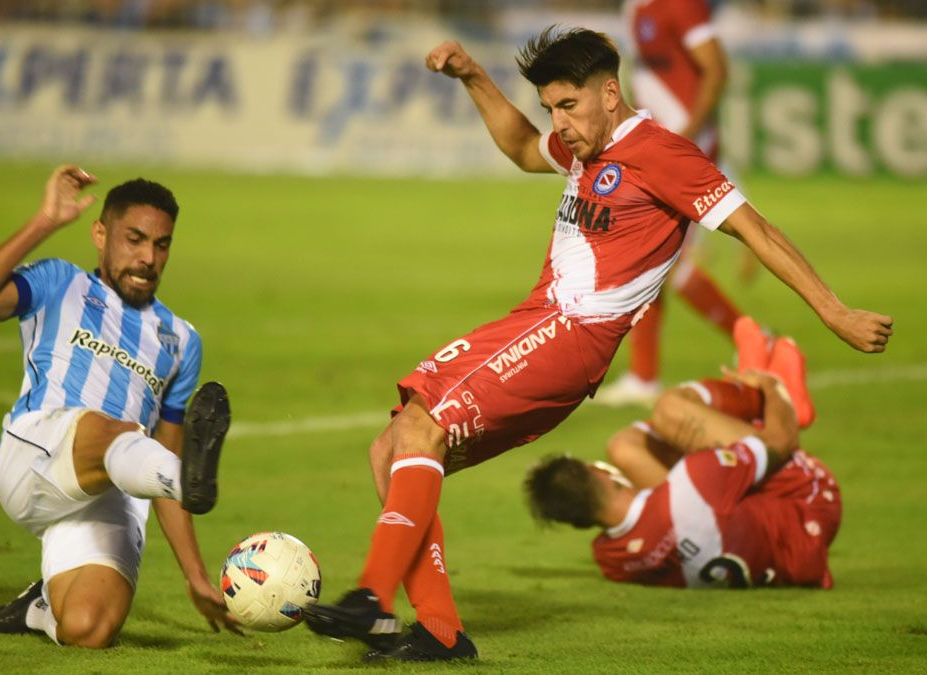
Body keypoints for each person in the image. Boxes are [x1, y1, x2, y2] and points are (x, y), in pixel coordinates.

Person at [303, 27, 890, 662]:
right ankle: (440, 631)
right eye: (552, 107)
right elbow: (524, 149)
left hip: (570, 335)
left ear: (610, 93)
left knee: (419, 434)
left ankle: (371, 596)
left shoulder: (664, 155)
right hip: (533, 322)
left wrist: (835, 312)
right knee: (389, 449)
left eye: (569, 107)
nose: (559, 124)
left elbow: (757, 230)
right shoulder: (584, 145)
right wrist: (474, 74)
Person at [0, 165, 239, 647]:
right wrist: (44, 221)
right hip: (37, 455)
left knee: (89, 628)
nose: (148, 257)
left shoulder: (182, 341)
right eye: (134, 239)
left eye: (161, 245)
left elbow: (169, 445)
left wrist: (196, 576)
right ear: (100, 234)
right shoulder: (61, 283)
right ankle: (179, 478)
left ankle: (37, 609)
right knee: (116, 430)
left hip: (112, 488)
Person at [524, 325, 840, 589]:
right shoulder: (694, 482)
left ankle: (744, 390)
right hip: (808, 504)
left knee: (625, 446)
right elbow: (782, 443)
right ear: (602, 472)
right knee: (670, 411)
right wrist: (773, 390)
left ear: (579, 522)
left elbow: (665, 514)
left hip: (766, 549)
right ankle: (760, 395)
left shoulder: (612, 559)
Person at [597, 0, 746, 405]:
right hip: (659, 145)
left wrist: (691, 134)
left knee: (669, 261)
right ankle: (644, 376)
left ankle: (751, 340)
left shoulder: (679, 3)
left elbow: (716, 67)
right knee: (647, 256)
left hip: (682, 146)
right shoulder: (636, 8)